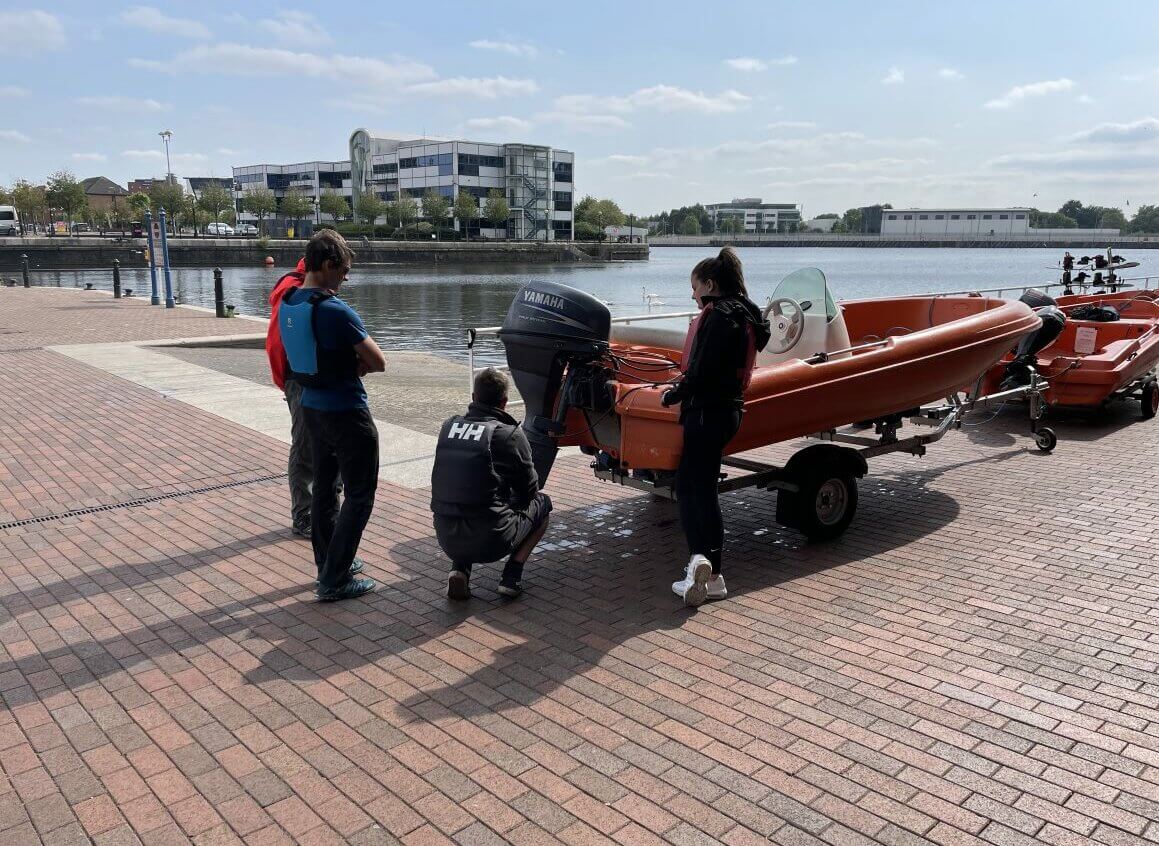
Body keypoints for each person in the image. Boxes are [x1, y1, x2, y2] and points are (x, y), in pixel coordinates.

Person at [278, 230, 386, 601]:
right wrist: (354, 364)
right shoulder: (335, 309)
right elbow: (378, 360)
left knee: (324, 488)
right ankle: (335, 578)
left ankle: (329, 562)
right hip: (346, 412)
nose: (346, 278)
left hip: (311, 408)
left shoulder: (289, 302)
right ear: (328, 265)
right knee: (360, 495)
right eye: (344, 270)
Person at [660, 247, 771, 607]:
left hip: (706, 412)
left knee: (689, 489)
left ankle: (699, 563)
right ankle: (716, 576)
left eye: (694, 287)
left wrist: (674, 394)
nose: (692, 295)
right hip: (729, 412)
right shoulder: (747, 315)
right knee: (704, 488)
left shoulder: (719, 316)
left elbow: (703, 369)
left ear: (710, 284)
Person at [430, 368, 552, 600]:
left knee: (464, 494)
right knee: (542, 504)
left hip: (446, 537)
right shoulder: (509, 435)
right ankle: (511, 576)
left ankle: (459, 569)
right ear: (505, 402)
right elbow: (530, 491)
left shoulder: (448, 427)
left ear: (474, 397)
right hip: (492, 541)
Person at [267, 257, 322, 538]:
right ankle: (303, 516)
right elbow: (277, 344)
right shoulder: (294, 294)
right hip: (299, 380)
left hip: (298, 379)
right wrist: (286, 382)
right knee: (303, 448)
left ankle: (319, 511)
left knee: (317, 446)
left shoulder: (295, 291)